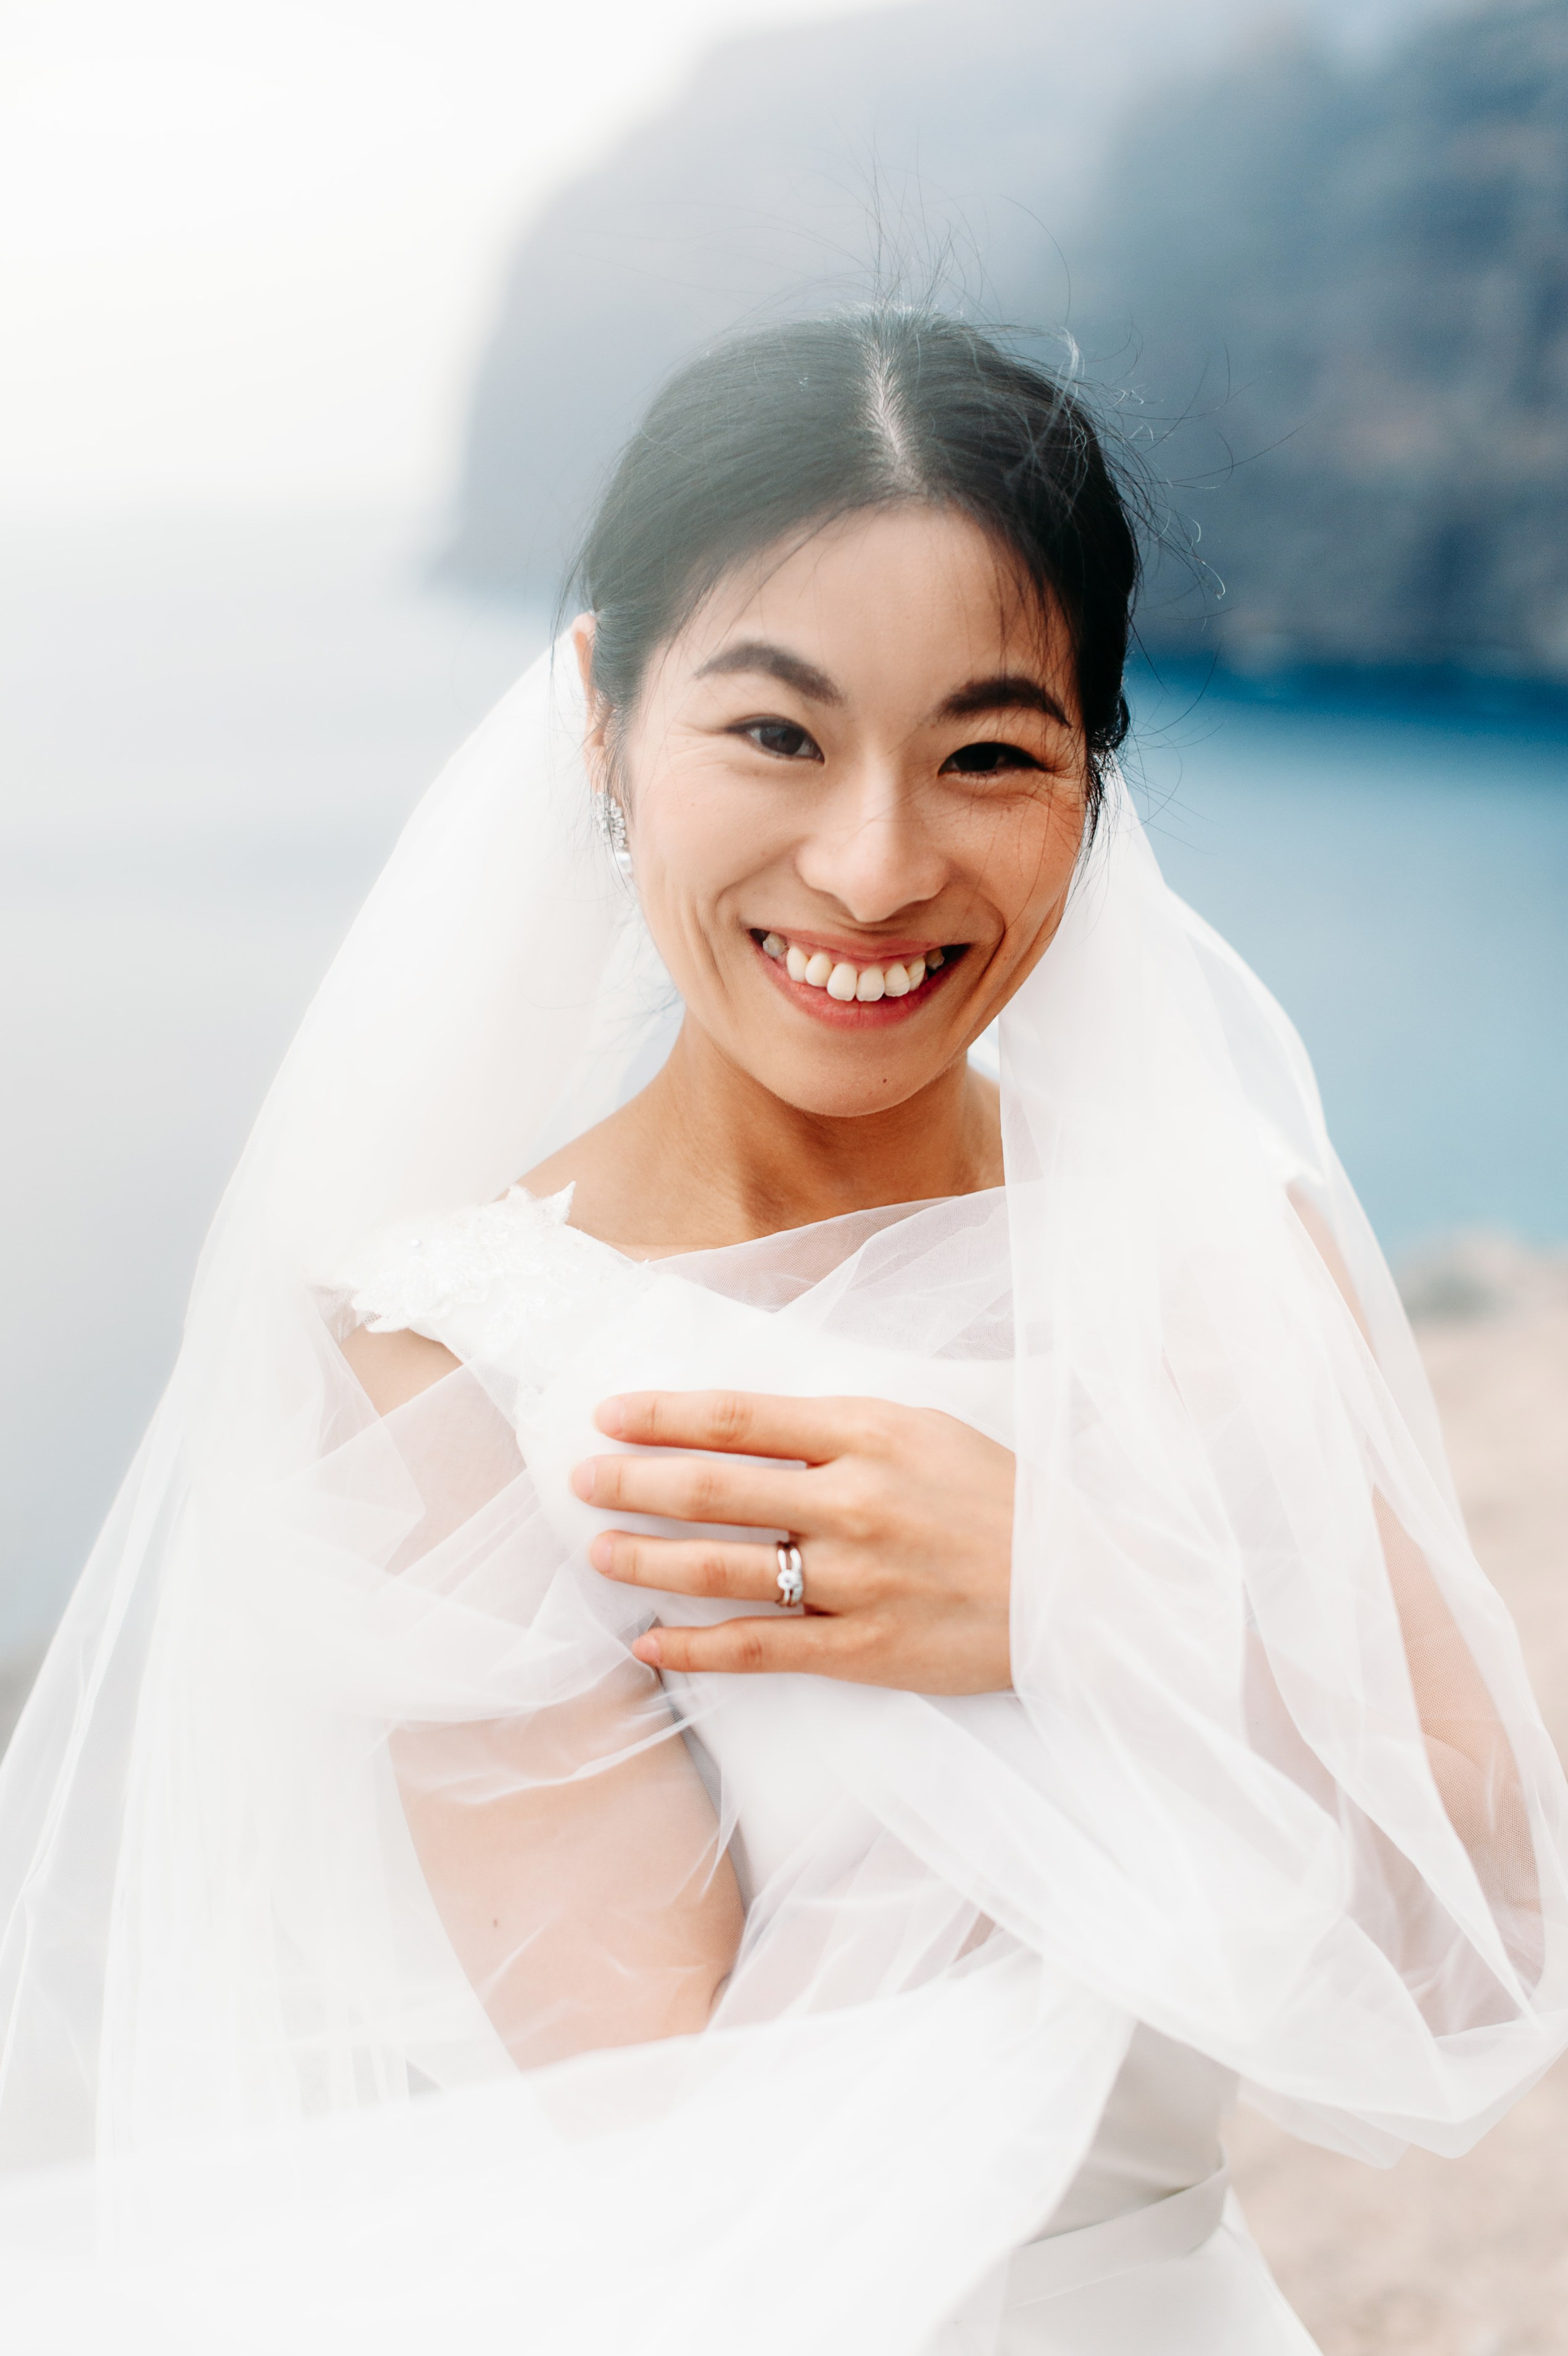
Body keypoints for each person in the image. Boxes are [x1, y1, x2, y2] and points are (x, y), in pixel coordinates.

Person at [0, 308, 1562, 2356]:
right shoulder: (440, 1359)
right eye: (777, 733)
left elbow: (1472, 1965)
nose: (875, 862)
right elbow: (717, 2176)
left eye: (989, 752)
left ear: (1094, 783)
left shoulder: (1225, 1240)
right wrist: (1144, 1631)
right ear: (600, 721)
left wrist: (1069, 1582)